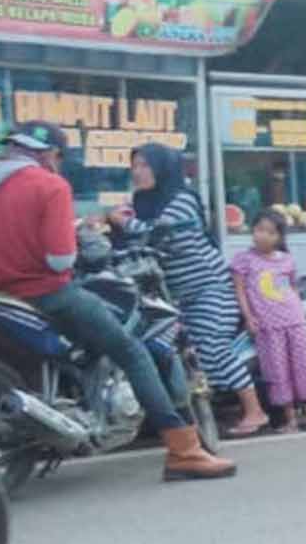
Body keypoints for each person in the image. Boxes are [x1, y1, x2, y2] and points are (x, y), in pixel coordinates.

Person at [0, 122, 233, 481]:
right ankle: (184, 451)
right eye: (59, 157)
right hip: (46, 294)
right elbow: (60, 259)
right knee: (132, 351)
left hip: (3, 296)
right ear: (50, 155)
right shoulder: (49, 185)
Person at [113, 142, 265, 436]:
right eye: (134, 166)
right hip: (175, 297)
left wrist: (124, 224)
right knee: (179, 355)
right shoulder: (142, 203)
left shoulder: (182, 199)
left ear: (162, 168)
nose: (137, 172)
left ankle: (254, 410)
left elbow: (161, 233)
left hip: (211, 288)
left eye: (145, 165)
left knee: (211, 347)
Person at [229, 209, 306, 432]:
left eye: (270, 232)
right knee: (277, 372)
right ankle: (290, 419)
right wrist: (249, 318)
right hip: (268, 326)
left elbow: (292, 289)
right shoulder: (243, 260)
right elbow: (240, 292)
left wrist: (302, 319)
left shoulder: (286, 260)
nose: (262, 235)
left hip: (295, 321)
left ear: (279, 237)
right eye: (259, 229)